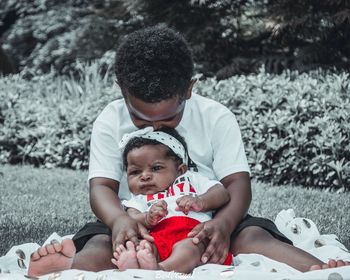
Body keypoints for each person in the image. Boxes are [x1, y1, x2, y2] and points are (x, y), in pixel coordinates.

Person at [28, 26, 349, 277]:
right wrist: (117, 220)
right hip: (135, 217)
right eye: (139, 117)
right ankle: (70, 270)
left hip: (207, 218)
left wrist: (223, 225)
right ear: (122, 91)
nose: (154, 125)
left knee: (253, 237)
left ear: (189, 89)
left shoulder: (215, 116)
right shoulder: (110, 119)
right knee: (103, 245)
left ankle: (321, 270)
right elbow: (101, 186)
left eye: (167, 117)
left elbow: (237, 185)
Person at [112, 127, 232, 273]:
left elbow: (221, 193)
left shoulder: (191, 180)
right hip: (156, 236)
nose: (144, 176)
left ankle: (162, 269)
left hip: (193, 233)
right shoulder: (138, 198)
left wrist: (201, 201)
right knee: (144, 247)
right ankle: (138, 263)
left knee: (189, 247)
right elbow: (132, 217)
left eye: (156, 168)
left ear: (180, 170)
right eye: (135, 172)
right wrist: (147, 218)